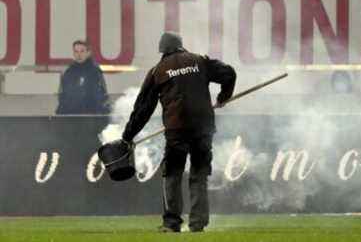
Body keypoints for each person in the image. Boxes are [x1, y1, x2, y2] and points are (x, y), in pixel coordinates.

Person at [120, 32, 236, 233]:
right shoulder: (199, 61)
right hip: (203, 126)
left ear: (162, 50)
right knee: (199, 173)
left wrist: (128, 136)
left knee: (172, 173)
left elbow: (142, 109)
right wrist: (223, 96)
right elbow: (229, 73)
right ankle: (197, 223)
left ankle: (172, 223)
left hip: (177, 129)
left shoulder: (157, 71)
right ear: (181, 46)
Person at [56, 40, 109, 115]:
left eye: (82, 51)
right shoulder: (68, 72)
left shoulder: (95, 71)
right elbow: (62, 94)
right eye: (76, 51)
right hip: (71, 116)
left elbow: (102, 94)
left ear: (88, 53)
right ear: (73, 53)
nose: (79, 54)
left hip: (91, 116)